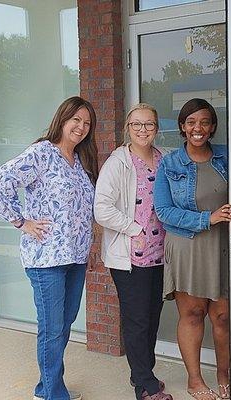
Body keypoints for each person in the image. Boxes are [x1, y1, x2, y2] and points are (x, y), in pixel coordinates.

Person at [0, 96, 98, 400]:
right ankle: (52, 394)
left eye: (87, 123)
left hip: (76, 257)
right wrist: (20, 222)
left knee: (63, 324)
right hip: (46, 257)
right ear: (62, 119)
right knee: (51, 328)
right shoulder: (41, 153)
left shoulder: (80, 161)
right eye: (76, 119)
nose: (81, 127)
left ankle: (46, 386)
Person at [153, 98, 231, 400]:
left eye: (203, 122)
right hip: (187, 246)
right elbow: (163, 210)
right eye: (190, 122)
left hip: (225, 246)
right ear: (182, 127)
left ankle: (225, 373)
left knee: (223, 316)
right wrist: (207, 218)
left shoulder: (228, 156)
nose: (197, 128)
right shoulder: (170, 163)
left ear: (212, 127)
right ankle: (195, 379)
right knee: (193, 314)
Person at [94, 103, 173, 400]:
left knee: (152, 316)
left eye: (149, 124)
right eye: (137, 124)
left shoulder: (161, 158)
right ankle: (144, 385)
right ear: (128, 127)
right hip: (130, 257)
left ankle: (143, 373)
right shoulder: (119, 162)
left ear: (156, 127)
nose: (143, 130)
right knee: (137, 318)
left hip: (160, 254)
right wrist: (135, 229)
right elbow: (101, 208)